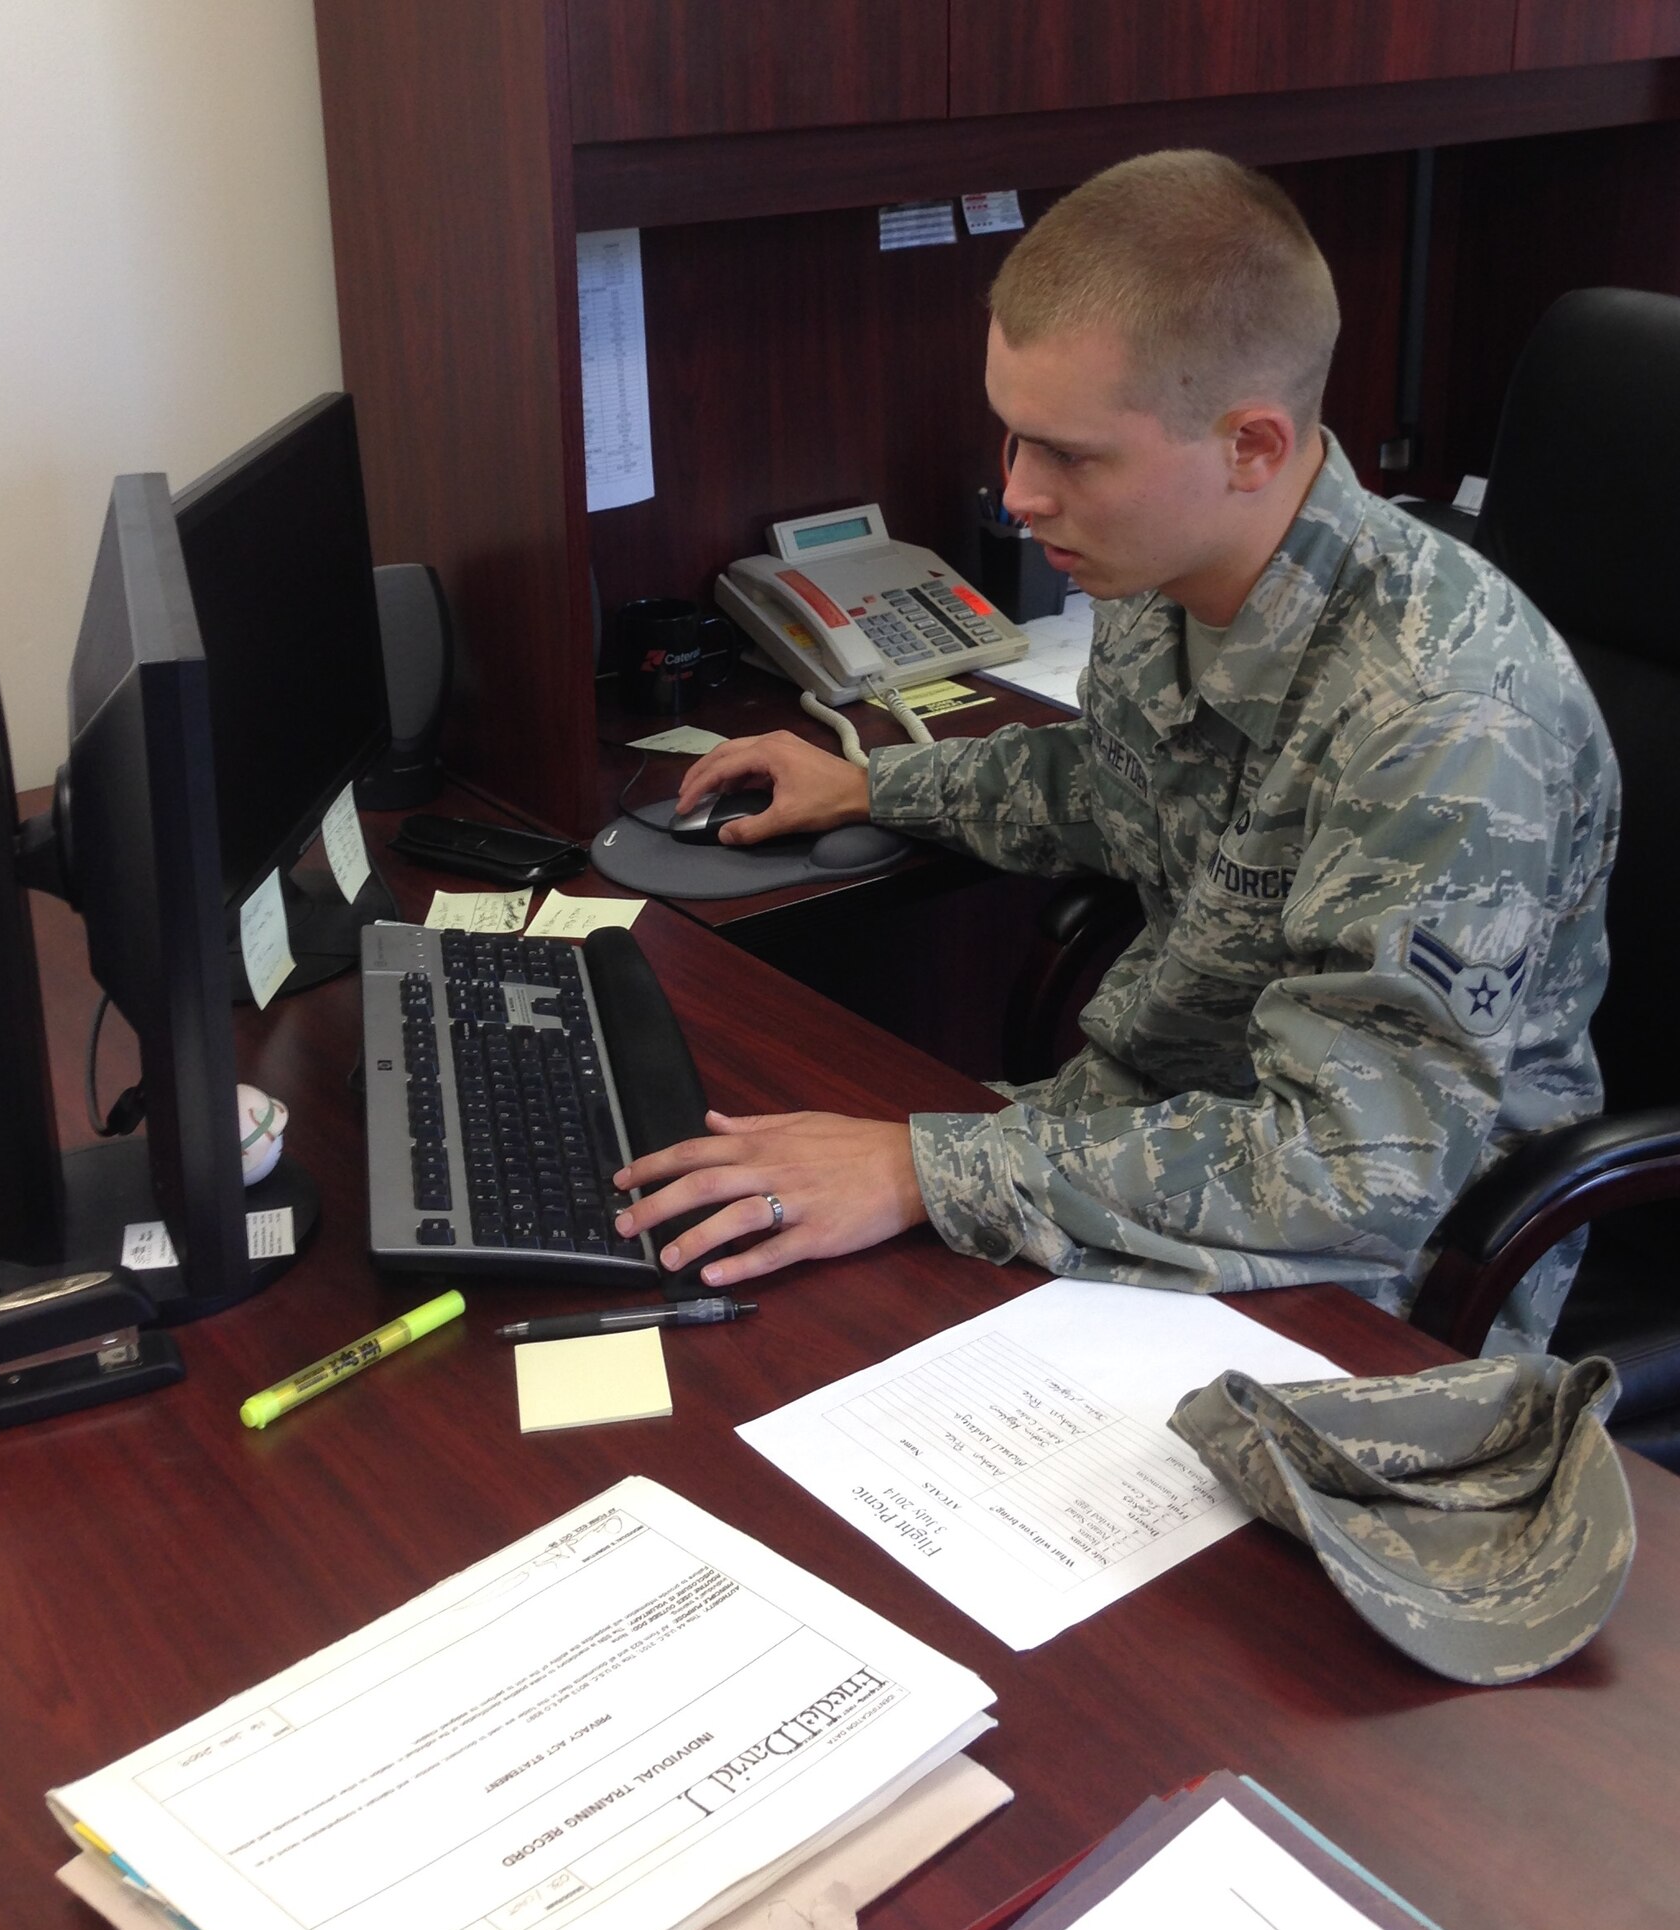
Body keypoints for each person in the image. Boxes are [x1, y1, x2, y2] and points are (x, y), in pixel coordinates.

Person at [613, 150, 1619, 1352]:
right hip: (1155, 1143)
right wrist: (874, 777)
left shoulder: (1444, 717)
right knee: (726, 1289)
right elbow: (1116, 781)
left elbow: (1360, 1173)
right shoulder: (1171, 568)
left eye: (1070, 455)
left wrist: (928, 1172)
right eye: (1013, 441)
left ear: (1251, 444)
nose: (1016, 499)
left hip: (1389, 1272)